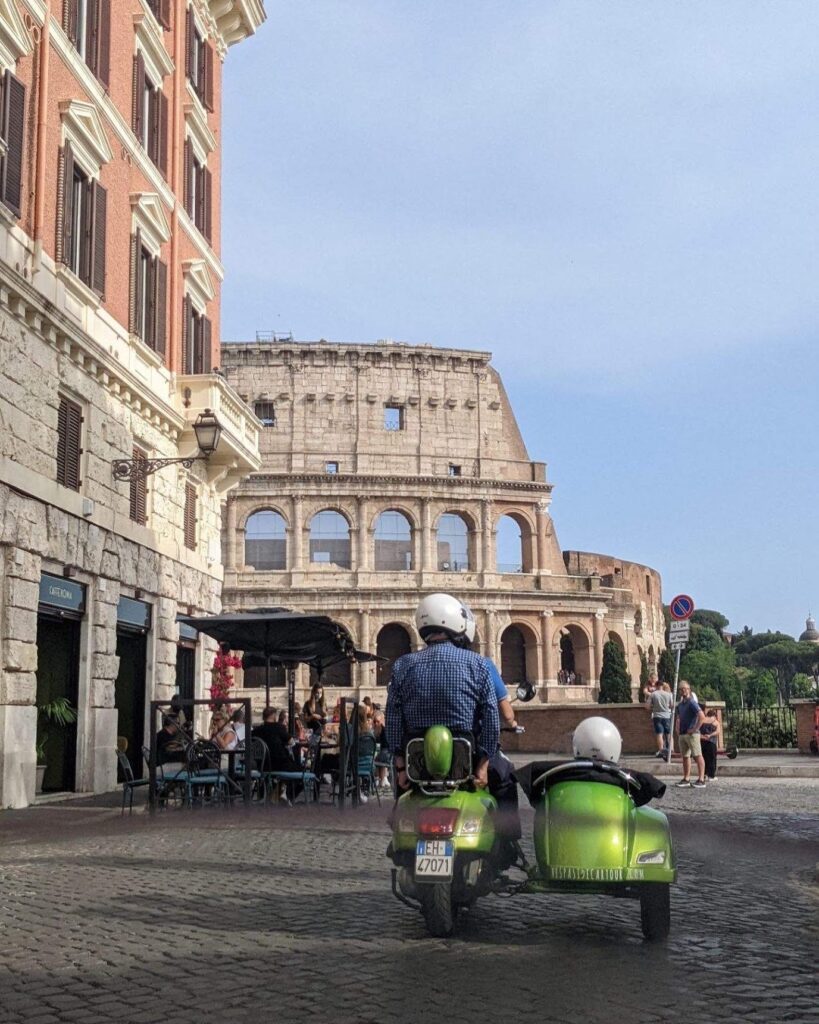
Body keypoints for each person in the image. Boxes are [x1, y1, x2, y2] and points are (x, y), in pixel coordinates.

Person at [386, 593, 520, 867]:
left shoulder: (402, 666)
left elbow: (393, 721)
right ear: (457, 626)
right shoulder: (479, 665)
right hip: (466, 763)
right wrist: (483, 765)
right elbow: (492, 720)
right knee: (505, 780)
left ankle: (398, 831)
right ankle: (507, 842)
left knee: (403, 792)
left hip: (417, 765)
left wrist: (400, 766)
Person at [252, 707, 303, 800]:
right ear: (274, 715)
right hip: (279, 764)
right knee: (302, 772)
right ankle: (288, 796)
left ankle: (278, 793)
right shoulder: (279, 727)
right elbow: (291, 741)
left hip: (262, 765)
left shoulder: (256, 731)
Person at [675, 681, 707, 788]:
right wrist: (677, 728)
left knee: (697, 756)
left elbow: (702, 716)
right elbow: (679, 718)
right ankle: (686, 778)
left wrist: (694, 729)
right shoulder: (680, 705)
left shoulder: (692, 703)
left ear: (689, 690)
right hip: (683, 733)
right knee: (685, 757)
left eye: (685, 688)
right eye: (681, 689)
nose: (683, 690)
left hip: (692, 734)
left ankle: (701, 779)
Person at [648, 681, 673, 757]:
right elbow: (672, 705)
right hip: (667, 716)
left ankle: (661, 751)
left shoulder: (653, 694)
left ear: (656, 686)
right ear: (662, 686)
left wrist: (653, 707)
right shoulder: (669, 694)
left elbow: (647, 706)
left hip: (657, 716)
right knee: (669, 734)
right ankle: (671, 750)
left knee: (659, 734)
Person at [700, 705, 719, 781]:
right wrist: (710, 735)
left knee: (703, 759)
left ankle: (703, 774)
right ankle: (711, 776)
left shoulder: (702, 720)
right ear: (714, 715)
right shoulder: (715, 722)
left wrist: (702, 736)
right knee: (712, 759)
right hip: (711, 742)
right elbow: (718, 731)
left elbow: (697, 729)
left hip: (702, 742)